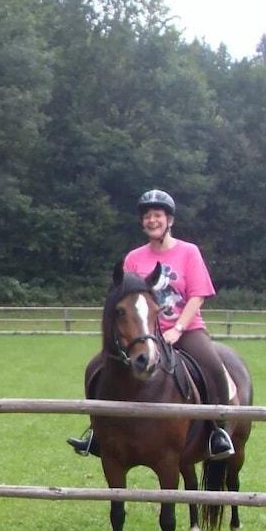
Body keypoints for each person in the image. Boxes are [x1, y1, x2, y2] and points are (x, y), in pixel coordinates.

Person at [68, 189, 234, 460]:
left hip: (185, 329)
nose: (152, 220)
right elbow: (125, 299)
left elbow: (198, 295)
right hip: (143, 332)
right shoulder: (134, 258)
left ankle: (218, 431)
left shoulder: (188, 252)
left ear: (169, 220)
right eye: (147, 216)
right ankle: (97, 432)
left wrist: (178, 328)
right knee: (98, 367)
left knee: (213, 367)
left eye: (157, 215)